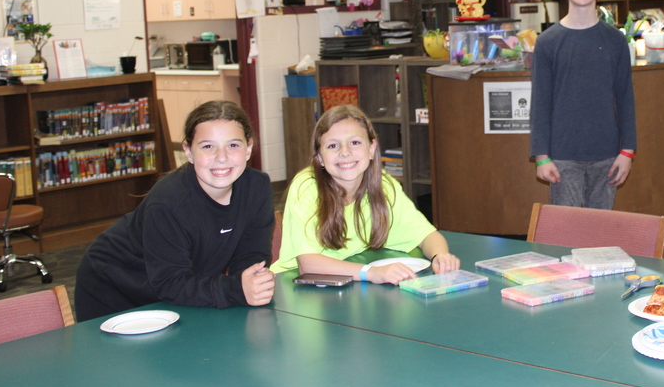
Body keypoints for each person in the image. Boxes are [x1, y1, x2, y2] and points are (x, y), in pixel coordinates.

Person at [75, 101, 275, 321]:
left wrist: (249, 281)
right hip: (114, 288)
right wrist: (235, 289)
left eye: (233, 145)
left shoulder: (257, 187)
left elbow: (251, 255)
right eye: (208, 146)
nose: (221, 157)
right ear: (188, 152)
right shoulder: (168, 203)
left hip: (178, 291)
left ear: (248, 148)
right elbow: (169, 282)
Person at [270, 105, 459, 284]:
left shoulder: (382, 184)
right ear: (319, 158)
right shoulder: (307, 187)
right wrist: (371, 273)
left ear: (371, 148)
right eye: (333, 146)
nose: (345, 152)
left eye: (355, 142)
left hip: (351, 280)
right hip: (297, 286)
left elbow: (425, 234)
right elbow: (307, 264)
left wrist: (440, 256)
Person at [529, 0, 636, 209]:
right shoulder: (547, 42)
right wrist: (542, 156)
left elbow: (625, 98)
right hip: (563, 156)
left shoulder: (615, 40)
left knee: (599, 232)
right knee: (567, 233)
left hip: (608, 155)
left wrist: (628, 151)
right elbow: (540, 103)